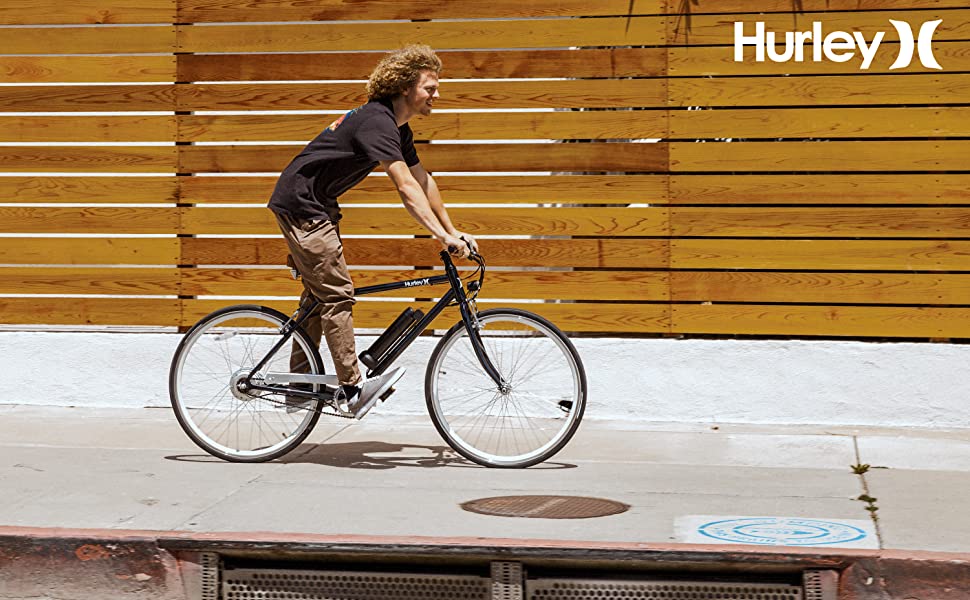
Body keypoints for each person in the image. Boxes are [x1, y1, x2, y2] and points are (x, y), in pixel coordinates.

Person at [268, 44, 479, 419]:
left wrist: (452, 230)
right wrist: (439, 236)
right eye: (430, 87)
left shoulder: (397, 127)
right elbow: (403, 185)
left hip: (317, 206)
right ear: (404, 88)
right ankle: (352, 389)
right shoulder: (376, 121)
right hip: (303, 207)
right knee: (338, 296)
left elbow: (422, 180)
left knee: (318, 300)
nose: (437, 94)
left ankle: (298, 389)